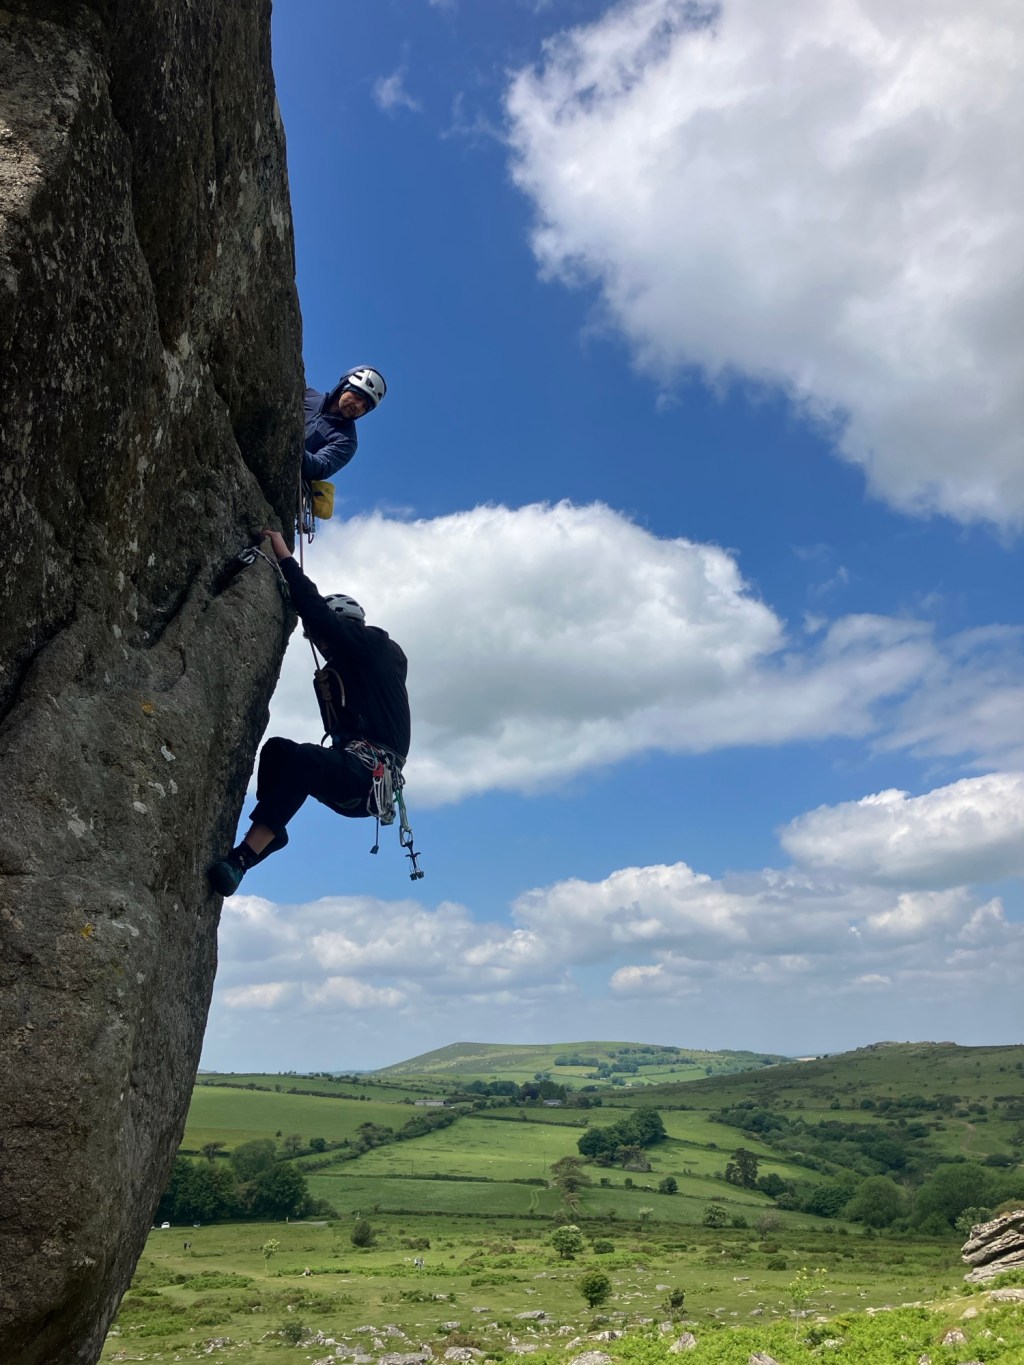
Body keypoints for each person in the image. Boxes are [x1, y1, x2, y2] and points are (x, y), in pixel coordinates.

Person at [207, 528, 410, 897]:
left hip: (368, 777)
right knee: (278, 752)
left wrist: (285, 557)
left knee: (306, 759)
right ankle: (272, 833)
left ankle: (241, 859)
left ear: (346, 624)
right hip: (354, 774)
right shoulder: (364, 666)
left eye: (325, 640)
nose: (322, 646)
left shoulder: (375, 647)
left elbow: (317, 615)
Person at [303, 366, 387, 482]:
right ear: (343, 387)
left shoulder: (347, 440)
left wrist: (293, 448)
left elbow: (321, 466)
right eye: (357, 397)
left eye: (365, 406)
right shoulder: (308, 395)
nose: (358, 406)